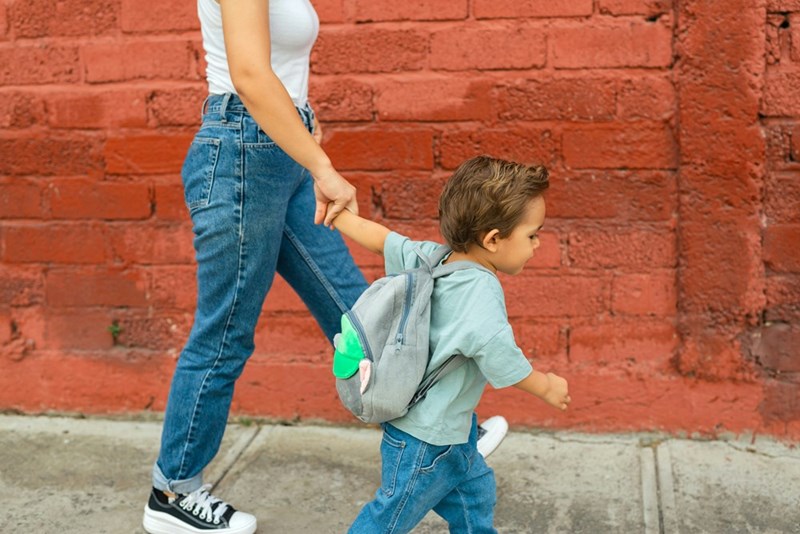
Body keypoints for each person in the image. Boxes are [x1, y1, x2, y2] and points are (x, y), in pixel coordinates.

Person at [142, 2, 506, 533]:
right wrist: (322, 165)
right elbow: (248, 73)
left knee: (358, 312)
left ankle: (452, 442)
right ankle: (172, 492)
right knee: (225, 335)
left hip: (278, 155)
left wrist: (305, 138)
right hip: (241, 159)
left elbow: (281, 74)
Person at [331, 155, 572, 533]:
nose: (538, 244)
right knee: (389, 519)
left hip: (449, 433)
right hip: (425, 442)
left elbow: (383, 242)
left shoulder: (433, 257)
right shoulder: (482, 292)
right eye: (532, 235)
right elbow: (500, 354)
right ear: (493, 240)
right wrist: (546, 385)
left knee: (475, 495)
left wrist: (340, 217)